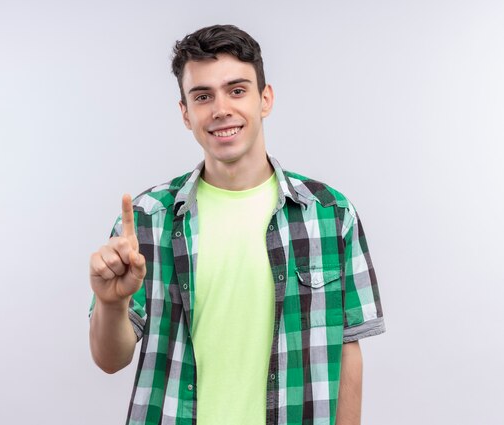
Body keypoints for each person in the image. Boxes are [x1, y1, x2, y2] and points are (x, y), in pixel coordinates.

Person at [89, 24, 385, 425]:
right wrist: (110, 302)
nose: (221, 109)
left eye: (237, 90)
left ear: (266, 99)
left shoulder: (330, 213)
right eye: (203, 96)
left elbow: (347, 350)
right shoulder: (146, 220)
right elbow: (110, 360)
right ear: (185, 113)